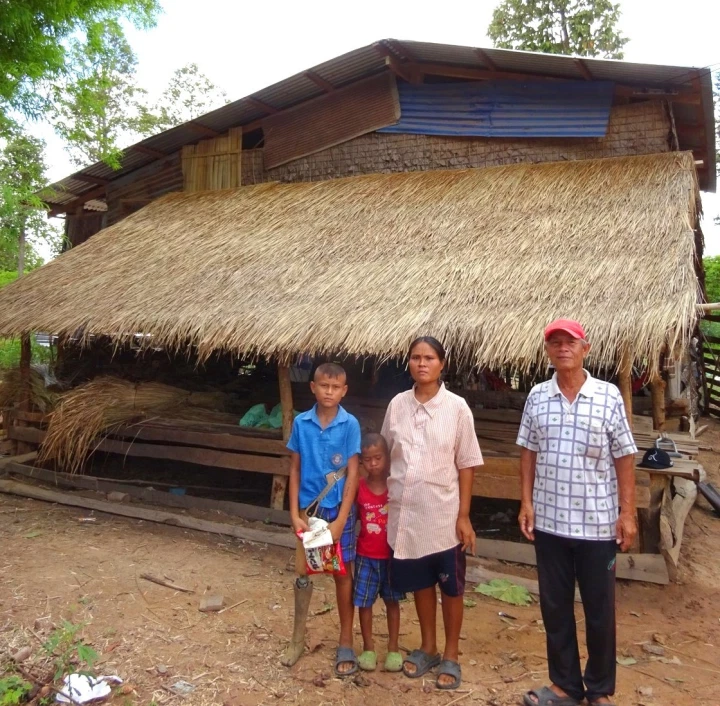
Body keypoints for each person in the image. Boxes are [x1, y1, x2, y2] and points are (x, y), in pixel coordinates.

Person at [516, 319, 637, 706]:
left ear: (585, 348)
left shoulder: (608, 396)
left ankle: (599, 689)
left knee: (600, 612)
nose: (562, 348)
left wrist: (627, 512)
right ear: (548, 351)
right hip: (550, 521)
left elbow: (624, 456)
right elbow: (528, 451)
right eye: (555, 343)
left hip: (598, 524)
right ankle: (565, 685)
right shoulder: (537, 396)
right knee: (555, 607)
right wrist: (526, 501)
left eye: (570, 342)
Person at [381, 336, 484, 690]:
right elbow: (386, 452)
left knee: (450, 587)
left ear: (442, 364)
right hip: (406, 515)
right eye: (415, 358)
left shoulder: (457, 409)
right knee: (421, 582)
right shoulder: (397, 405)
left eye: (429, 358)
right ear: (408, 363)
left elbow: (467, 464)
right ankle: (428, 646)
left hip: (442, 516)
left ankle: (451, 654)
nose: (421, 364)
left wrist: (464, 515)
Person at [280, 362, 361, 676]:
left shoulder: (350, 424)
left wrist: (342, 519)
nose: (329, 392)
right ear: (312, 387)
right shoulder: (301, 423)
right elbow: (295, 468)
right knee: (304, 573)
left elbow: (353, 473)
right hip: (308, 512)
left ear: (344, 391)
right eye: (323, 386)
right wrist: (293, 514)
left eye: (335, 387)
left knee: (342, 574)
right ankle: (297, 638)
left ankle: (345, 640)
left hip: (338, 510)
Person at [353, 433, 404, 673]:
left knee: (392, 602)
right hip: (365, 556)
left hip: (391, 557)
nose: (373, 464)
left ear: (387, 458)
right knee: (364, 603)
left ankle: (393, 649)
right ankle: (368, 648)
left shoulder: (395, 486)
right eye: (367, 459)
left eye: (378, 458)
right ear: (361, 462)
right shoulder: (358, 488)